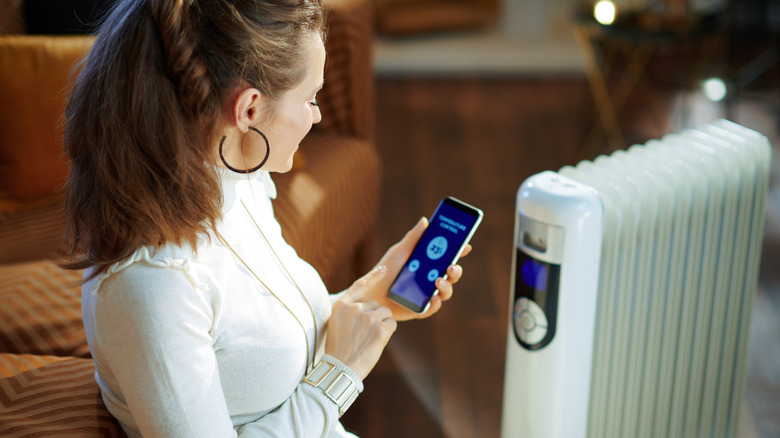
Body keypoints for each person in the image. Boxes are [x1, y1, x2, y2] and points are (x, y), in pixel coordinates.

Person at [61, 0, 470, 436]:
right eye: (311, 98)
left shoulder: (233, 178)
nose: (317, 115)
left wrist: (370, 295)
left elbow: (256, 341)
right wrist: (338, 374)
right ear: (249, 110)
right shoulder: (152, 287)